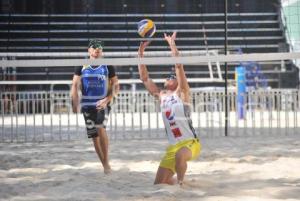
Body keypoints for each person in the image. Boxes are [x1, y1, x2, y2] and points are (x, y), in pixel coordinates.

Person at [138, 32, 201, 186]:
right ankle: (187, 184)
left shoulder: (182, 91)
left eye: (170, 76)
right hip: (173, 146)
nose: (166, 78)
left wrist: (172, 44)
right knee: (160, 184)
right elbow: (144, 78)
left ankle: (181, 186)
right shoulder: (162, 95)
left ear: (176, 81)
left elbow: (179, 66)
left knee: (180, 156)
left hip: (189, 143)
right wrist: (140, 54)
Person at [71, 39, 119, 174]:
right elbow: (74, 86)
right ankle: (104, 164)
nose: (97, 49)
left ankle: (107, 163)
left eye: (100, 47)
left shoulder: (107, 66)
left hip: (102, 103)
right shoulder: (82, 66)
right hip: (87, 105)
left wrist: (108, 99)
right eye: (94, 47)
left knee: (100, 128)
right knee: (94, 136)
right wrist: (74, 103)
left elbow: (116, 86)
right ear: (89, 50)